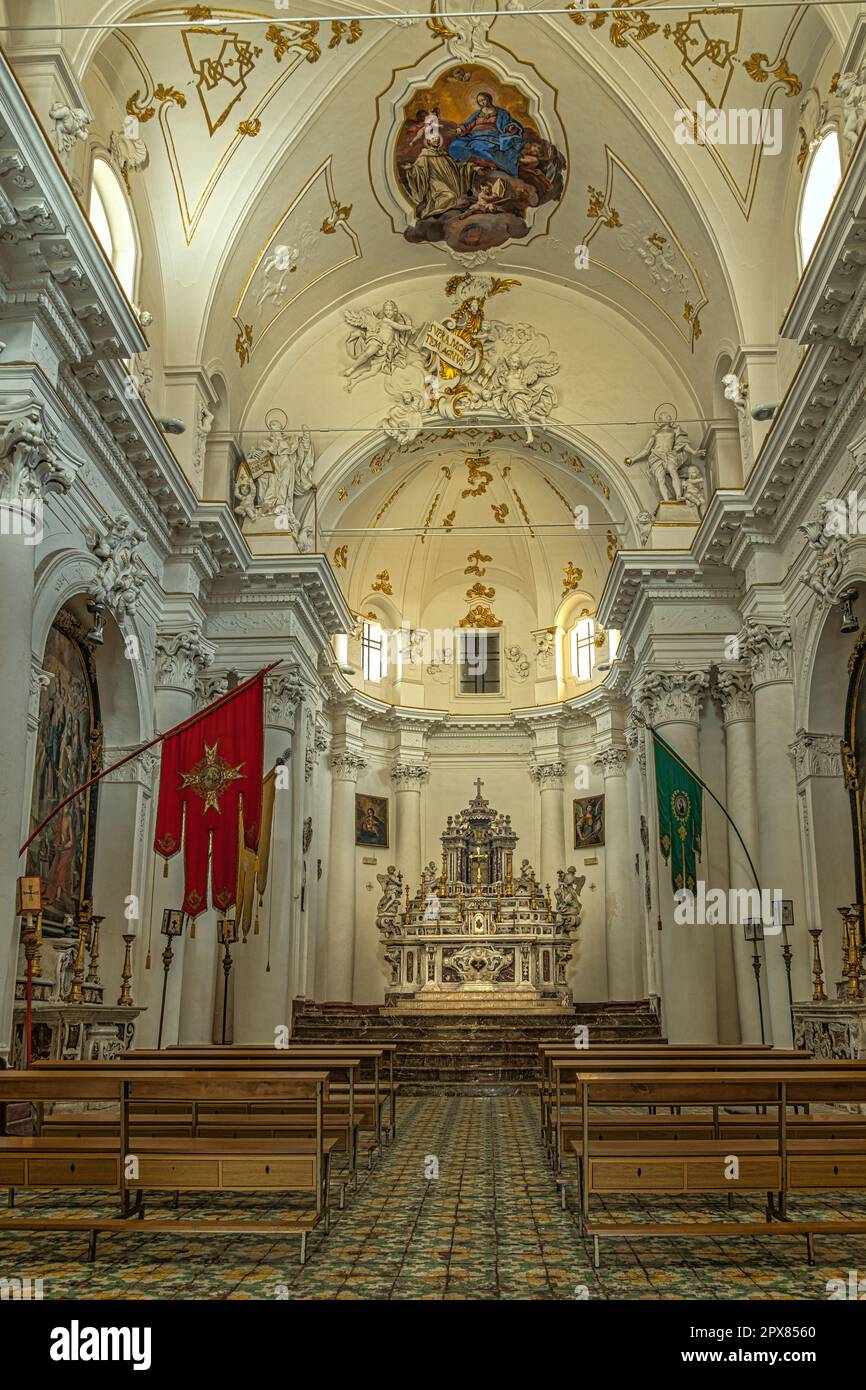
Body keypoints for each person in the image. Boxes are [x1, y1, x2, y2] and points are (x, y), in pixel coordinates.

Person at [448, 91, 525, 178]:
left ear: (488, 98)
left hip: (491, 136)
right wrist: (460, 129)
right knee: (455, 145)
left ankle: (488, 163)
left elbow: (506, 124)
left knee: (481, 146)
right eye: (480, 101)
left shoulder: (501, 112)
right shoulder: (477, 113)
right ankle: (476, 164)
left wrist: (510, 128)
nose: (482, 102)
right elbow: (468, 124)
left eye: (483, 99)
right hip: (474, 135)